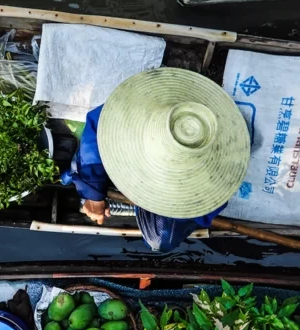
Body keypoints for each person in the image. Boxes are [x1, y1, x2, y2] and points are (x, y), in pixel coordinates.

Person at [62, 67, 250, 252]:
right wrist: (93, 192)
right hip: (162, 135)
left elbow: (202, 210)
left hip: (184, 182)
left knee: (159, 238)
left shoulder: (211, 177)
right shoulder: (159, 116)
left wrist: (94, 195)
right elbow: (98, 126)